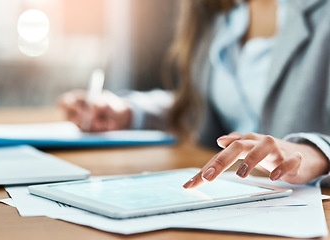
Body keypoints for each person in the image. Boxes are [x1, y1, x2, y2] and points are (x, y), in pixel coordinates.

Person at [58, 0, 330, 188]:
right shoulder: (217, 12)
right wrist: (129, 112)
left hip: (307, 204)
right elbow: (203, 109)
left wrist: (317, 154)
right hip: (235, 194)